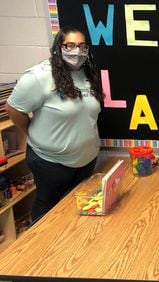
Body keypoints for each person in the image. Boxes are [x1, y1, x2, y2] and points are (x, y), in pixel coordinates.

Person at [6, 27, 104, 223]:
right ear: (58, 47)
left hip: (86, 160)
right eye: (70, 45)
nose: (77, 51)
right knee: (48, 211)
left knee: (75, 212)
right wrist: (30, 131)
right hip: (51, 162)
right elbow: (13, 109)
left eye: (82, 46)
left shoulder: (87, 73)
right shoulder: (39, 76)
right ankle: (38, 250)